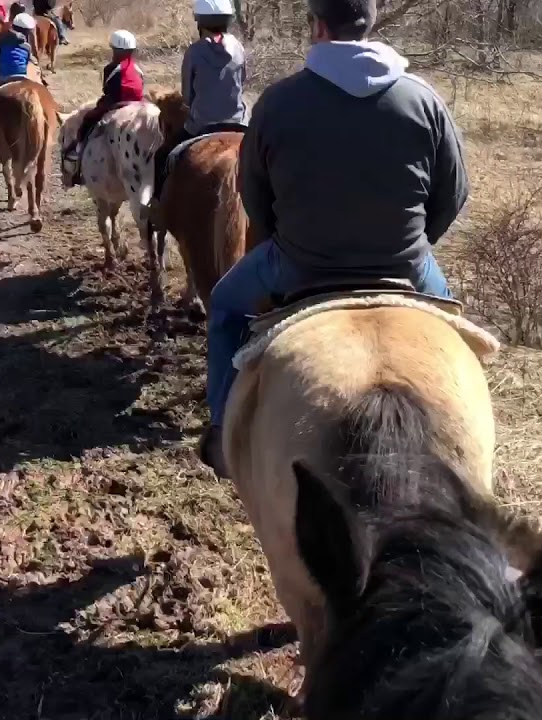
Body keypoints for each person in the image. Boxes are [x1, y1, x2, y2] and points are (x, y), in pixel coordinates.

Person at [198, 0, 470, 477]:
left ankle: (223, 432)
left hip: (298, 263)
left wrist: (288, 240)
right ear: (370, 22)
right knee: (461, 341)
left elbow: (255, 199)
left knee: (223, 306)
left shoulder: (278, 101)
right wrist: (411, 244)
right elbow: (453, 193)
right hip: (405, 264)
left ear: (318, 25)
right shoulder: (424, 98)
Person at [154, 0, 249, 200]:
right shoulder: (238, 47)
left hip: (202, 125)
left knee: (161, 157)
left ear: (200, 22)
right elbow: (242, 81)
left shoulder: (194, 51)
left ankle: (157, 207)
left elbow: (188, 97)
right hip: (240, 123)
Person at [65, 30, 145, 184]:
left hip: (116, 103)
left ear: (115, 50)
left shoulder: (111, 68)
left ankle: (79, 153)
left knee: (88, 120)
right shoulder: (138, 69)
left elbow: (107, 90)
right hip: (138, 104)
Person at [0, 12, 37, 114]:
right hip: (22, 77)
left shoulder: (3, 41)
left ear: (13, 26)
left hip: (4, 77)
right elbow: (28, 61)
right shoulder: (27, 46)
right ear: (27, 32)